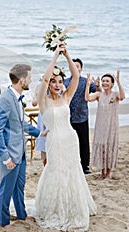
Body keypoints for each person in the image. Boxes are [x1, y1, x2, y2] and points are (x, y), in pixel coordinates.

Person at [34, 44, 97, 231]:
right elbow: (45, 78)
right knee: (55, 170)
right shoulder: (43, 101)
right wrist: (55, 56)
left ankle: (73, 206)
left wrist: (67, 55)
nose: (57, 84)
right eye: (54, 82)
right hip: (55, 141)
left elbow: (76, 77)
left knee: (72, 171)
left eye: (60, 81)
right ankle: (54, 207)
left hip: (70, 139)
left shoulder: (66, 96)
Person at [0, 64, 40, 228]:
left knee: (19, 187)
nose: (31, 79)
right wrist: (5, 158)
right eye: (29, 77)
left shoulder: (17, 98)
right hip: (10, 155)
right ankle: (3, 222)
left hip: (21, 152)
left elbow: (20, 123)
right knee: (6, 190)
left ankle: (21, 215)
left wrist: (39, 133)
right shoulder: (4, 100)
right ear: (21, 80)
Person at [85, 71, 125, 179]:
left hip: (112, 126)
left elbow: (122, 97)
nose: (104, 83)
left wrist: (119, 81)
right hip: (100, 126)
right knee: (102, 146)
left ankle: (108, 173)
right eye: (103, 81)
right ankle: (103, 172)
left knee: (110, 146)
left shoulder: (115, 94)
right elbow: (87, 98)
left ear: (112, 84)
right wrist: (88, 85)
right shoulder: (99, 95)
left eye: (107, 81)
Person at [64, 58, 100, 174]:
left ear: (81, 69)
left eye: (77, 66)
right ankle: (70, 164)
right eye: (73, 66)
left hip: (82, 116)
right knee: (69, 143)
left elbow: (97, 91)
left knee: (84, 142)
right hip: (68, 117)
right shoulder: (65, 82)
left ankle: (85, 166)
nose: (75, 68)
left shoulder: (86, 81)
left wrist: (98, 85)